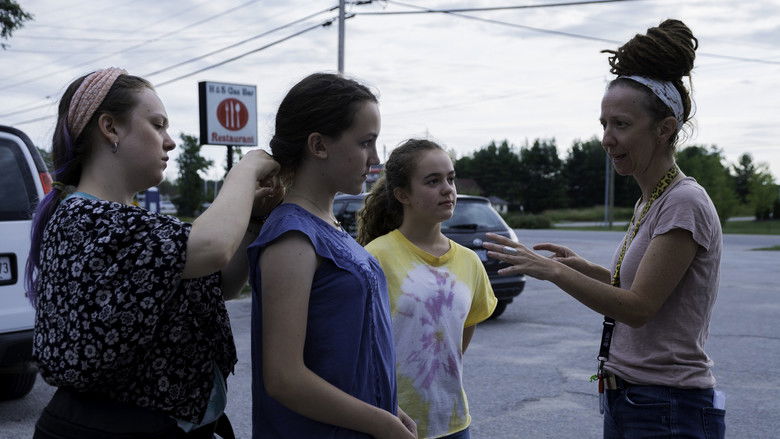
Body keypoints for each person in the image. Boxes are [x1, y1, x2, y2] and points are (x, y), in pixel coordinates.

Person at [484, 20, 725, 439]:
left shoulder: (683, 202)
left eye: (621, 124)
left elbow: (637, 308)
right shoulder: (651, 200)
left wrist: (555, 273)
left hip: (667, 407)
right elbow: (638, 288)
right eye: (603, 124)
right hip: (634, 399)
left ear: (664, 128)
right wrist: (579, 268)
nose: (606, 138)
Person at [26, 67, 281, 438]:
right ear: (110, 128)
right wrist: (247, 168)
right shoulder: (85, 219)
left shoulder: (129, 222)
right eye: (158, 125)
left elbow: (219, 281)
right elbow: (211, 249)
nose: (170, 141)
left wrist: (254, 218)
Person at [247, 73, 416, 439]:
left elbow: (345, 354)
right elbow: (284, 378)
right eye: (365, 143)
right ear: (318, 145)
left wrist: (389, 408)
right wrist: (382, 423)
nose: (375, 158)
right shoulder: (292, 237)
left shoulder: (327, 225)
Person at [358, 139, 497, 439]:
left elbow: (461, 333)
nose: (447, 189)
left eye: (451, 178)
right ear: (402, 194)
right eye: (433, 181)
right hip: (392, 422)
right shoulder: (376, 256)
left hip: (455, 422)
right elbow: (360, 345)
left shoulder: (469, 261)